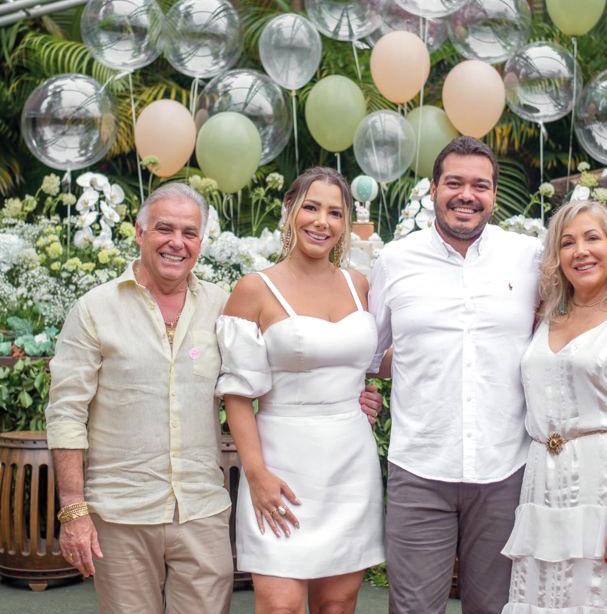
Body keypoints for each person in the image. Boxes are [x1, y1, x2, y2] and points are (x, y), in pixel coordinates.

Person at [368, 136, 543, 613]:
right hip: (421, 467)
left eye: (480, 185)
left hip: (505, 468)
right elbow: (370, 354)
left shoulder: (529, 258)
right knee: (414, 607)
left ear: (493, 194)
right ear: (433, 188)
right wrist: (377, 382)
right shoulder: (394, 262)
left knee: (497, 608)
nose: (467, 195)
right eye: (455, 183)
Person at [45, 183, 234, 614]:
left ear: (200, 242)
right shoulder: (95, 309)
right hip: (121, 512)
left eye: (189, 233)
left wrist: (352, 395)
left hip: (200, 509)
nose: (176, 242)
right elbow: (66, 411)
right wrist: (73, 508)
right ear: (139, 232)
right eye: (164, 229)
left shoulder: (223, 307)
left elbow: (260, 381)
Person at [217, 166, 385, 614]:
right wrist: (256, 476)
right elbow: (237, 395)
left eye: (335, 212)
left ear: (346, 223)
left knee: (338, 603)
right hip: (281, 465)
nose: (321, 221)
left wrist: (371, 392)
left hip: (351, 461)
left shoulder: (360, 284)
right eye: (310, 207)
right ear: (289, 211)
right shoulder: (254, 289)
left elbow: (368, 361)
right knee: (280, 605)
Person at [501, 200, 607, 614]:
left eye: (592, 238)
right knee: (543, 597)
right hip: (543, 480)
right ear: (556, 257)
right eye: (567, 243)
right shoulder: (547, 316)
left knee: (602, 596)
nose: (580, 251)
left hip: (605, 485)